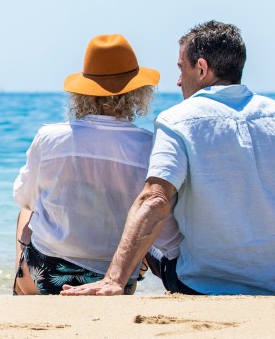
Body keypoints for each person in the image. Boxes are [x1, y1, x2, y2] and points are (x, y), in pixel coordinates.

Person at [62, 20, 275, 296]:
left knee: (146, 221)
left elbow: (155, 200)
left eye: (180, 68)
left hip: (201, 282)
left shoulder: (178, 119)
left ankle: (115, 280)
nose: (177, 80)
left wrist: (113, 279)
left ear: (201, 68)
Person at [13, 34, 181, 295]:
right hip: (116, 275)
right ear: (138, 93)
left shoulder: (49, 138)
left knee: (26, 213)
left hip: (47, 273)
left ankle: (20, 284)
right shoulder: (149, 145)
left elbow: (24, 198)